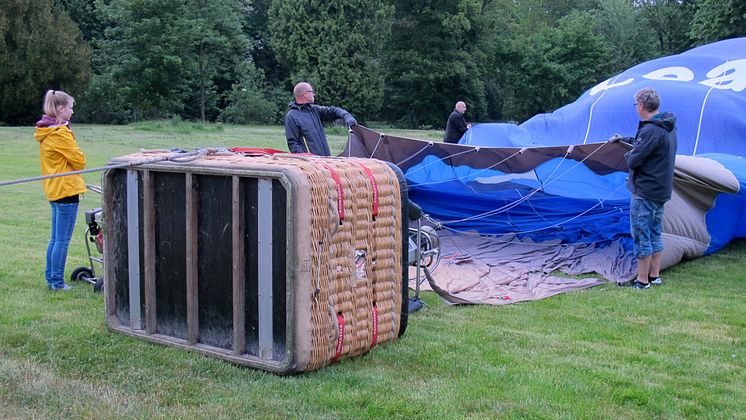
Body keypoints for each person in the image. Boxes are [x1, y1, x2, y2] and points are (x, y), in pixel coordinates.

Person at [610, 87, 677, 290]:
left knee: (641, 235)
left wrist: (626, 154)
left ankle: (642, 281)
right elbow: (646, 145)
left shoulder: (650, 129)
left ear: (640, 106)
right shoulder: (667, 126)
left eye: (635, 105)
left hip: (645, 192)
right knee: (655, 233)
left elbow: (635, 158)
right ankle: (654, 276)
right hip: (661, 191)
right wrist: (625, 140)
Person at [34, 90, 87, 291]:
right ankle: (56, 282)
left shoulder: (46, 131)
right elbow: (80, 161)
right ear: (61, 109)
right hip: (65, 191)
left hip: (54, 189)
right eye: (71, 108)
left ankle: (51, 278)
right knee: (62, 240)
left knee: (56, 238)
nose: (72, 112)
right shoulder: (59, 133)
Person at [284, 82, 357, 156]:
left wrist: (347, 116)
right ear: (305, 94)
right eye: (312, 92)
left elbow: (333, 111)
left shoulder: (314, 110)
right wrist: (308, 159)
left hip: (325, 160)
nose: (314, 94)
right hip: (311, 163)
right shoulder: (291, 116)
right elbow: (293, 144)